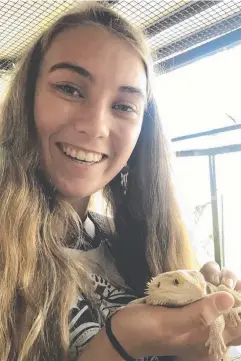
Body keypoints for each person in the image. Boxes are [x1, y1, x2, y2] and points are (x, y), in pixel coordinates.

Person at [0, 2, 241, 361]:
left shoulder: (136, 245)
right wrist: (122, 343)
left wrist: (200, 339)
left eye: (124, 106)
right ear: (27, 99)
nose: (95, 126)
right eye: (70, 88)